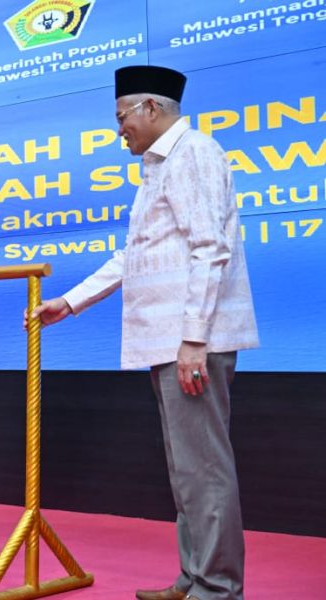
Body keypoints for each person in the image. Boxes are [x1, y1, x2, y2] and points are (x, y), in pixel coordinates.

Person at [28, 66, 258, 600]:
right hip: (172, 342)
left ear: (151, 108)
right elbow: (135, 256)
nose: (120, 130)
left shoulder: (193, 153)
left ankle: (218, 588)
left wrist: (195, 338)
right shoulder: (159, 166)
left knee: (205, 470)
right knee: (186, 471)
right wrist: (71, 301)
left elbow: (209, 248)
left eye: (122, 117)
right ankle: (194, 577)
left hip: (193, 342)